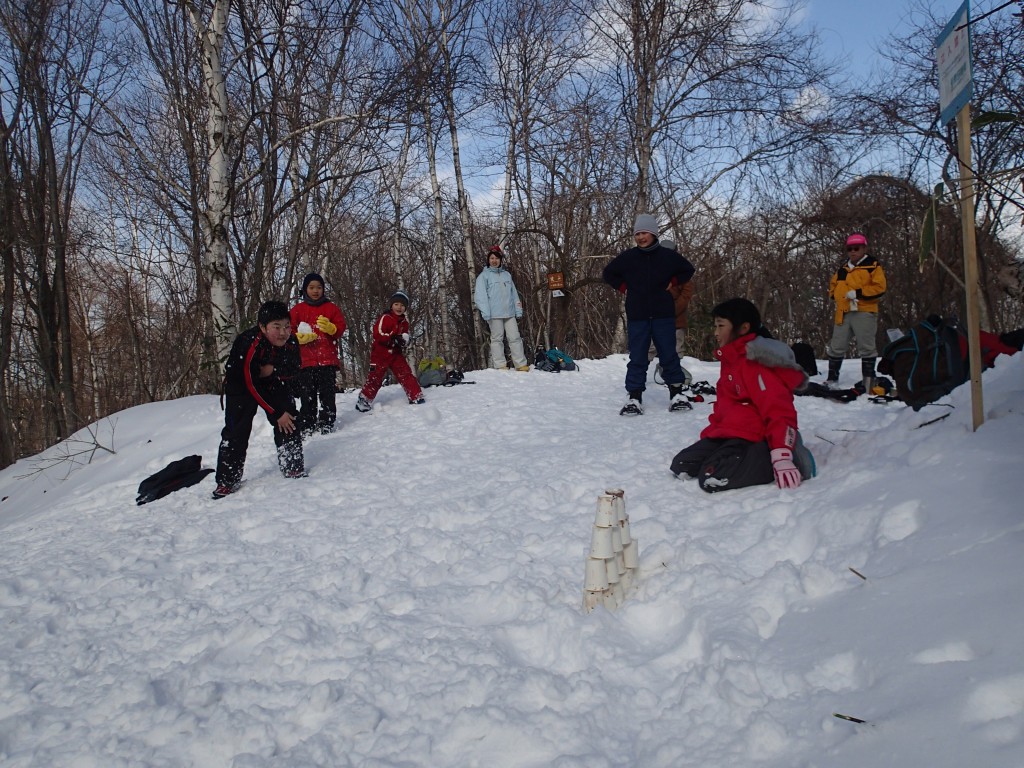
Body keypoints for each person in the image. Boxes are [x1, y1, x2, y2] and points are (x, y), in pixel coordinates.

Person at [670, 298, 815, 493]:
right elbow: (725, 404)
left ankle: (787, 457)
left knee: (712, 477)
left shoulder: (757, 362)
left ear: (744, 328)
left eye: (721, 326)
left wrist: (781, 455)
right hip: (733, 432)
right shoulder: (731, 358)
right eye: (715, 326)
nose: (716, 332)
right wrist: (712, 436)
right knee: (682, 465)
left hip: (758, 437)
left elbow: (779, 409)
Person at [603, 214, 695, 415]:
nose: (640, 237)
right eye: (637, 234)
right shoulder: (629, 258)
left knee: (669, 355)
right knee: (638, 357)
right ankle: (634, 397)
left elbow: (688, 269)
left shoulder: (667, 257)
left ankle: (676, 393)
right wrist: (623, 287)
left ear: (653, 233)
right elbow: (608, 273)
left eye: (644, 233)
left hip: (663, 315)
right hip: (638, 316)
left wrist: (674, 280)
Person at [214, 300, 306, 499]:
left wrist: (273, 370)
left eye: (287, 327)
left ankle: (292, 465)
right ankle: (227, 480)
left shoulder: (290, 342)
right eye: (276, 327)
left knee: (288, 418)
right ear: (263, 327)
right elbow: (250, 383)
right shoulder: (248, 342)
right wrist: (275, 412)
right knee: (236, 432)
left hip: (273, 382)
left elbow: (294, 369)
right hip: (241, 387)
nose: (283, 332)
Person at [826, 233, 887, 389]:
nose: (853, 251)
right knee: (836, 346)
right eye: (849, 249)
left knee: (866, 346)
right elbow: (833, 286)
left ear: (864, 248)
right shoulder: (843, 269)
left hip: (864, 310)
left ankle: (868, 380)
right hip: (843, 311)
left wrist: (859, 293)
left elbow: (880, 288)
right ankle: (832, 379)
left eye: (856, 248)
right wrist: (835, 295)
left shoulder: (872, 265)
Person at [290, 272, 347, 435]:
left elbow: (341, 326)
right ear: (305, 290)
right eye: (311, 287)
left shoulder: (331, 308)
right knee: (307, 395)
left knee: (327, 394)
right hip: (305, 361)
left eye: (319, 287)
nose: (315, 291)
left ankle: (327, 422)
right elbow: (289, 329)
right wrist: (297, 338)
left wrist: (333, 328)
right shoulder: (297, 310)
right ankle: (307, 422)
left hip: (327, 360)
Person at [355, 290, 425, 412]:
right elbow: (378, 334)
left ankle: (415, 395)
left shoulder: (404, 323)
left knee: (405, 373)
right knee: (375, 377)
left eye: (402, 305)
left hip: (395, 354)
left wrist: (404, 341)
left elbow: (404, 337)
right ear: (391, 305)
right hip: (380, 353)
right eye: (396, 304)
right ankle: (364, 399)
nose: (399, 307)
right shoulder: (386, 318)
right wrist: (392, 338)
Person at [647, 239, 695, 386]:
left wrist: (670, 310)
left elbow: (686, 295)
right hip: (654, 318)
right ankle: (638, 378)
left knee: (676, 350)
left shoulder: (682, 273)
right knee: (648, 349)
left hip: (676, 319)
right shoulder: (651, 271)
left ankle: (674, 377)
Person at [474, 245, 530, 371]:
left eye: (497, 258)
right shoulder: (484, 277)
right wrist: (486, 313)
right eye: (492, 258)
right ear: (488, 260)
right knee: (497, 339)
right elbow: (480, 297)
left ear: (500, 260)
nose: (494, 261)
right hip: (494, 314)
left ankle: (520, 364)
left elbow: (514, 294)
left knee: (515, 337)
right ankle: (500, 365)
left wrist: (518, 310)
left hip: (509, 313)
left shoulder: (507, 275)